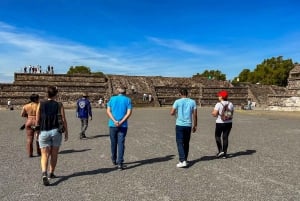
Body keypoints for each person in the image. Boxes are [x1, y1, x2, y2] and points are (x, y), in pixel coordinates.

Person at [36, 86, 68, 186]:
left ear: (47, 94)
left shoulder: (40, 104)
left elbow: (37, 119)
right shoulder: (59, 104)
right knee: (54, 154)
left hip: (44, 131)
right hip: (56, 131)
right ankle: (51, 173)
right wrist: (66, 131)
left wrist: (37, 132)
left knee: (44, 155)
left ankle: (44, 173)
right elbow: (63, 118)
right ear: (56, 94)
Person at [106, 86, 132, 170]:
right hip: (123, 125)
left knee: (113, 142)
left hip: (112, 124)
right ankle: (120, 163)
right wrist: (121, 122)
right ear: (125, 92)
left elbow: (108, 111)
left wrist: (114, 120)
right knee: (121, 144)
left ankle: (114, 159)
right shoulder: (127, 100)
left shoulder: (112, 99)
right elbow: (129, 113)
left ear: (118, 92)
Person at [170, 88, 197, 168]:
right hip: (188, 125)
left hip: (180, 124)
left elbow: (172, 112)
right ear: (187, 93)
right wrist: (195, 125)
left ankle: (182, 160)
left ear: (180, 94)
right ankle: (185, 159)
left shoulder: (177, 101)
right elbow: (195, 115)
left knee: (179, 142)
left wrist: (175, 113)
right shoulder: (192, 102)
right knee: (186, 143)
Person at [211, 90, 234, 159]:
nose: (218, 97)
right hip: (229, 122)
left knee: (217, 136)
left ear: (221, 97)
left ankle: (220, 151)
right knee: (225, 137)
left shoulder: (218, 104)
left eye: (219, 96)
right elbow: (231, 113)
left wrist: (214, 113)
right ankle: (224, 153)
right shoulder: (231, 104)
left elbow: (214, 114)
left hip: (220, 123)